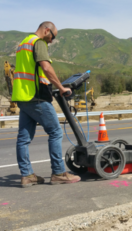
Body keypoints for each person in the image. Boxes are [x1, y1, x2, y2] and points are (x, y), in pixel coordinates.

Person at [12, 21, 81, 187]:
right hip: (37, 96)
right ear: (47, 30)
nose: (51, 41)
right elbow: (46, 68)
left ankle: (27, 175)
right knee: (56, 132)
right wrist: (61, 87)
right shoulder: (38, 42)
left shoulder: (23, 43)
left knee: (23, 139)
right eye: (53, 37)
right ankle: (58, 173)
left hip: (23, 97)